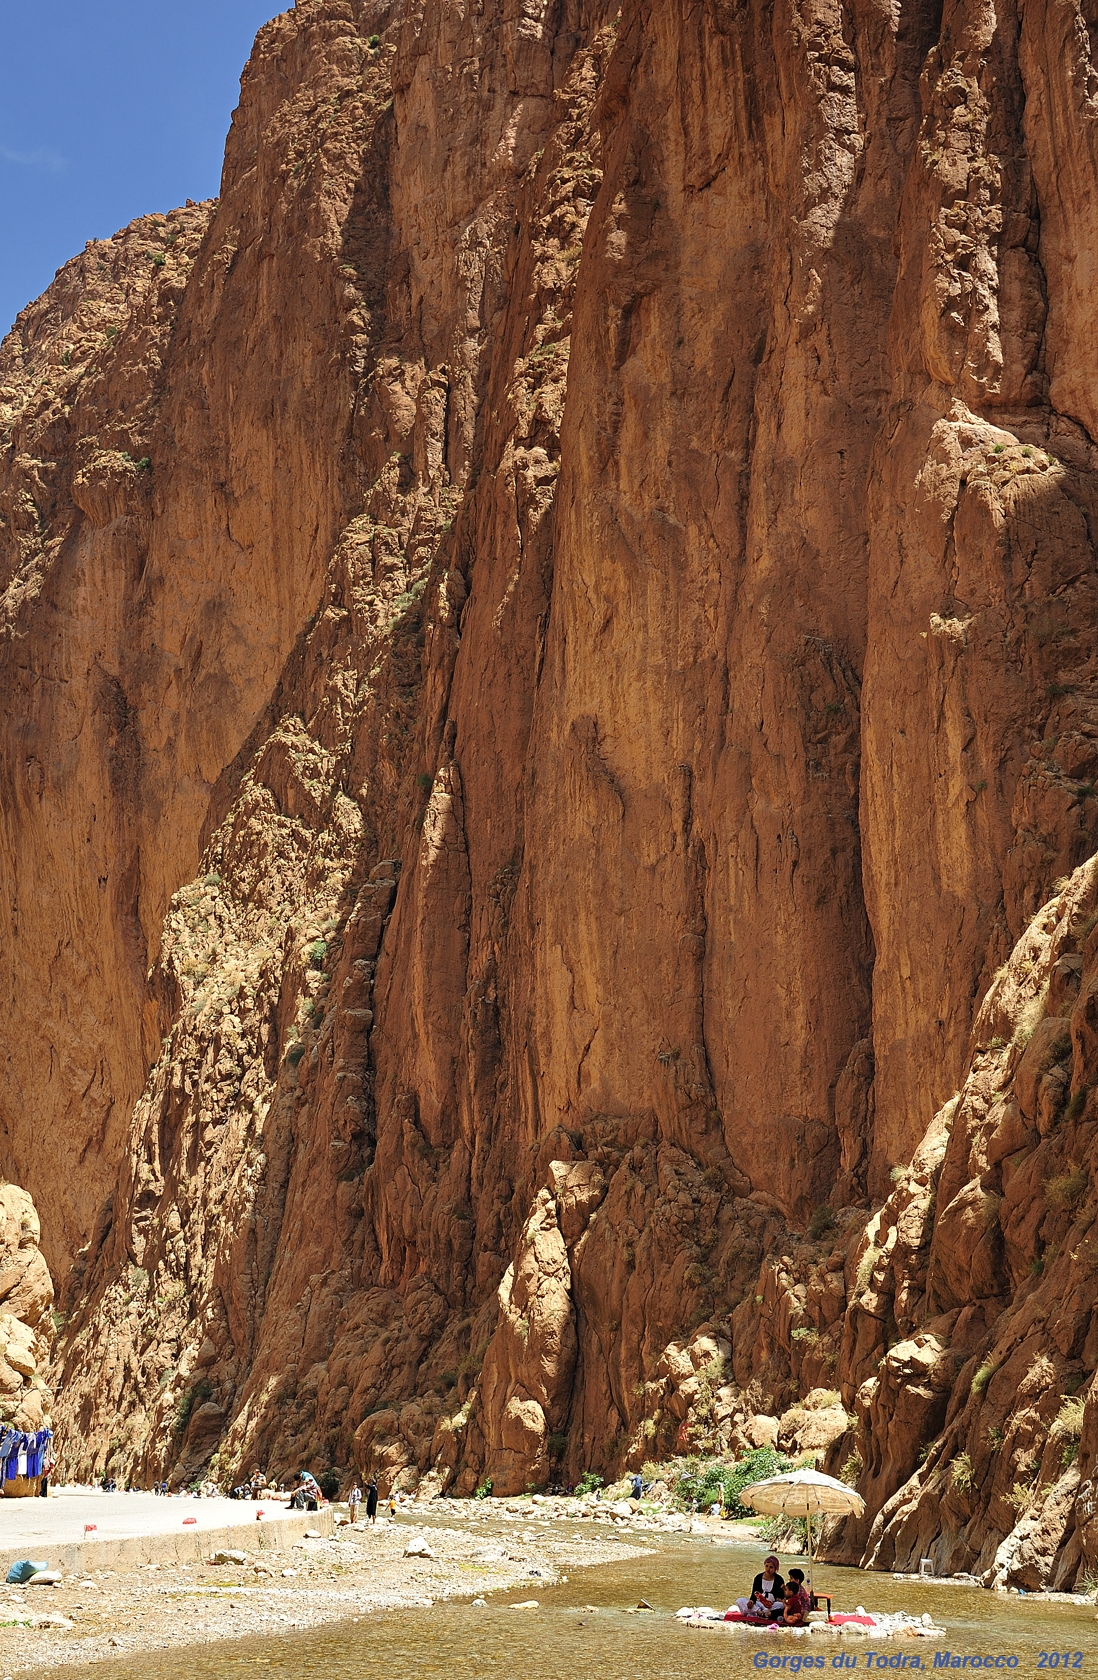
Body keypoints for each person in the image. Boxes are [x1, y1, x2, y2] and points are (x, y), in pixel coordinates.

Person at [736, 1554, 785, 1620]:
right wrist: (752, 1601)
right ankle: (759, 1612)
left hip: (771, 1605)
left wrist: (772, 1601)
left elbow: (781, 1596)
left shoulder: (779, 1579)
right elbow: (754, 1593)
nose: (768, 1569)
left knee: (781, 1605)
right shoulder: (758, 1577)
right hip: (758, 1603)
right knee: (740, 1601)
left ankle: (759, 1613)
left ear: (775, 1568)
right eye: (766, 1566)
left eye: (771, 1567)